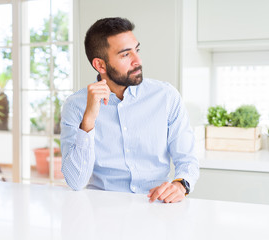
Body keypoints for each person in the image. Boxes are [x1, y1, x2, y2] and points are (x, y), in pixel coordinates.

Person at [60, 17, 199, 203]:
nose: (138, 61)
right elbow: (76, 182)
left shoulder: (166, 96)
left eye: (137, 50)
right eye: (126, 55)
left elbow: (187, 158)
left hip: (156, 206)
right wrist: (89, 120)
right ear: (100, 65)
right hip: (102, 210)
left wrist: (181, 184)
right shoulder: (75, 106)